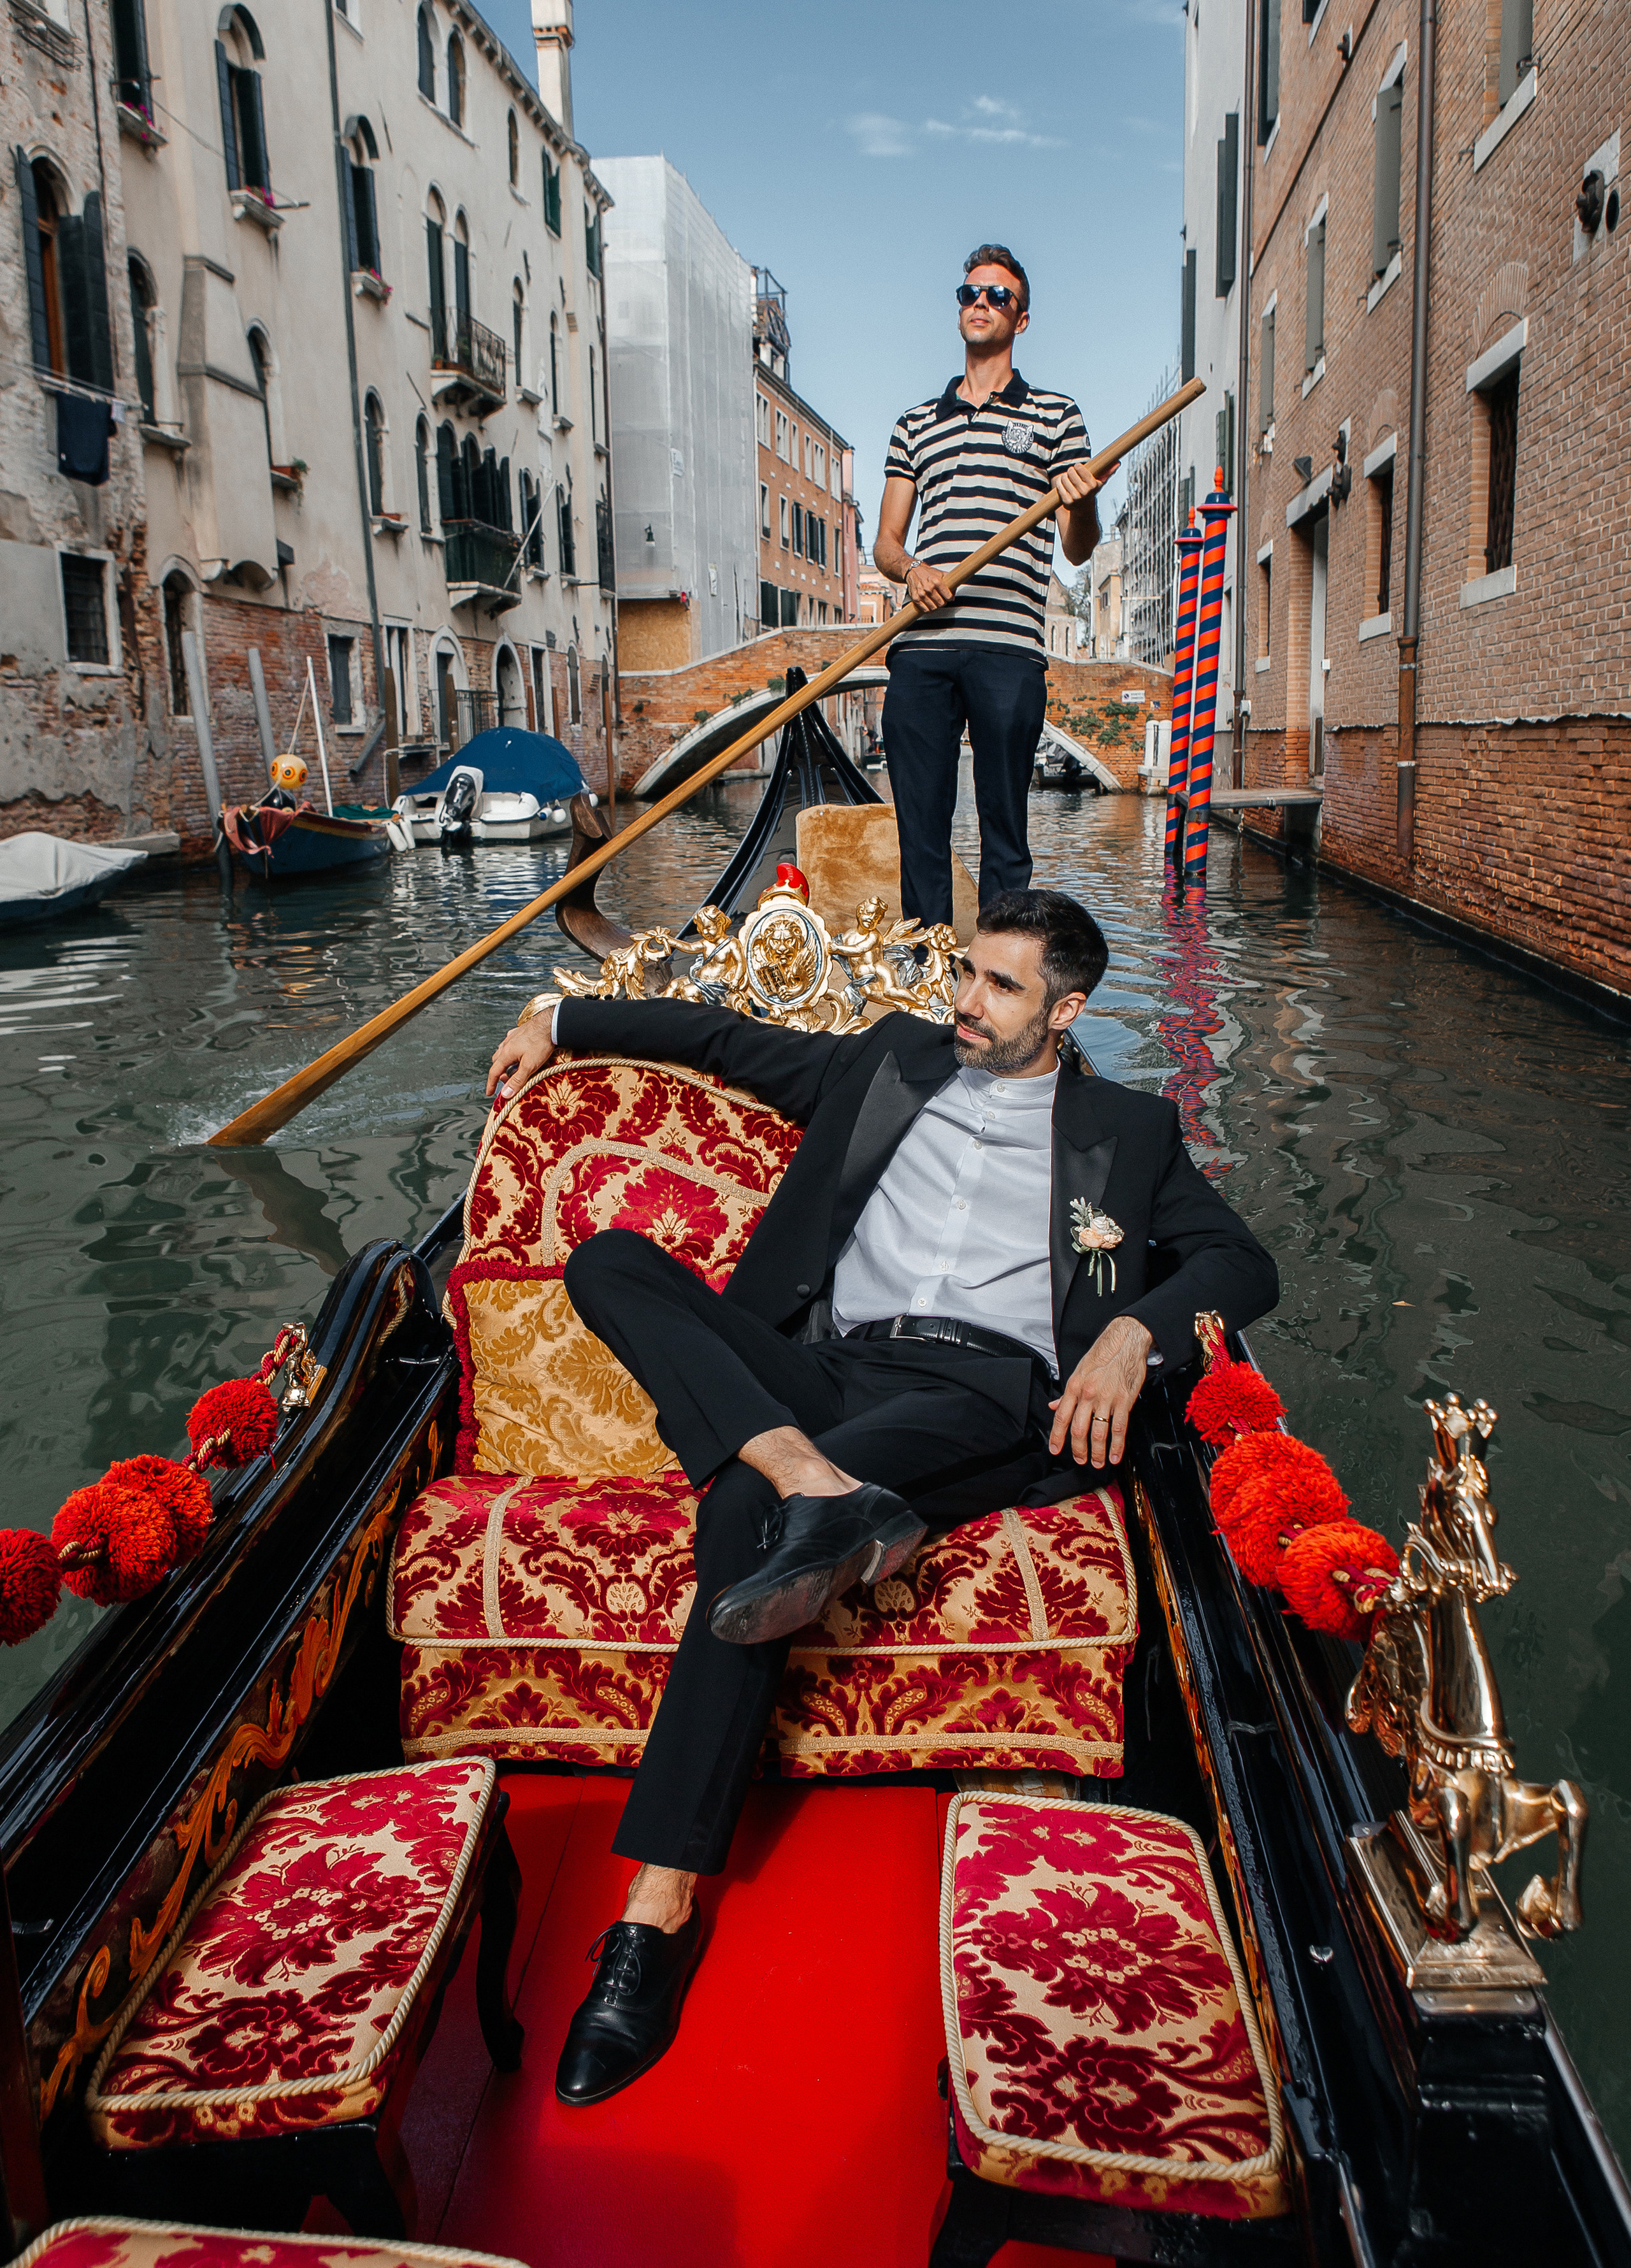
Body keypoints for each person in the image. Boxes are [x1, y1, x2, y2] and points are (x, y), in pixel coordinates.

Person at [484, 887, 1278, 2107]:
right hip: (822, 1365)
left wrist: (1134, 1331)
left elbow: (1240, 1262)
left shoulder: (1130, 1127)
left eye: (1001, 986)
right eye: (967, 971)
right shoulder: (889, 1060)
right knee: (608, 1261)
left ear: (1066, 1010)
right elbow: (715, 1040)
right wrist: (562, 1014)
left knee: (742, 1527)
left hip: (984, 1390)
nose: (965, 1000)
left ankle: (653, 1910)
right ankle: (812, 1478)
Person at [873, 245, 1103, 929]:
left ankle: (999, 972)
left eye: (997, 295)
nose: (980, 302)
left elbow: (1078, 546)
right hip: (921, 650)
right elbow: (885, 542)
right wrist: (912, 570)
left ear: (1021, 319)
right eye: (970, 292)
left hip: (1008, 649)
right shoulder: (914, 423)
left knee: (1005, 828)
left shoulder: (1057, 417)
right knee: (920, 827)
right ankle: (925, 970)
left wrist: (1081, 499)